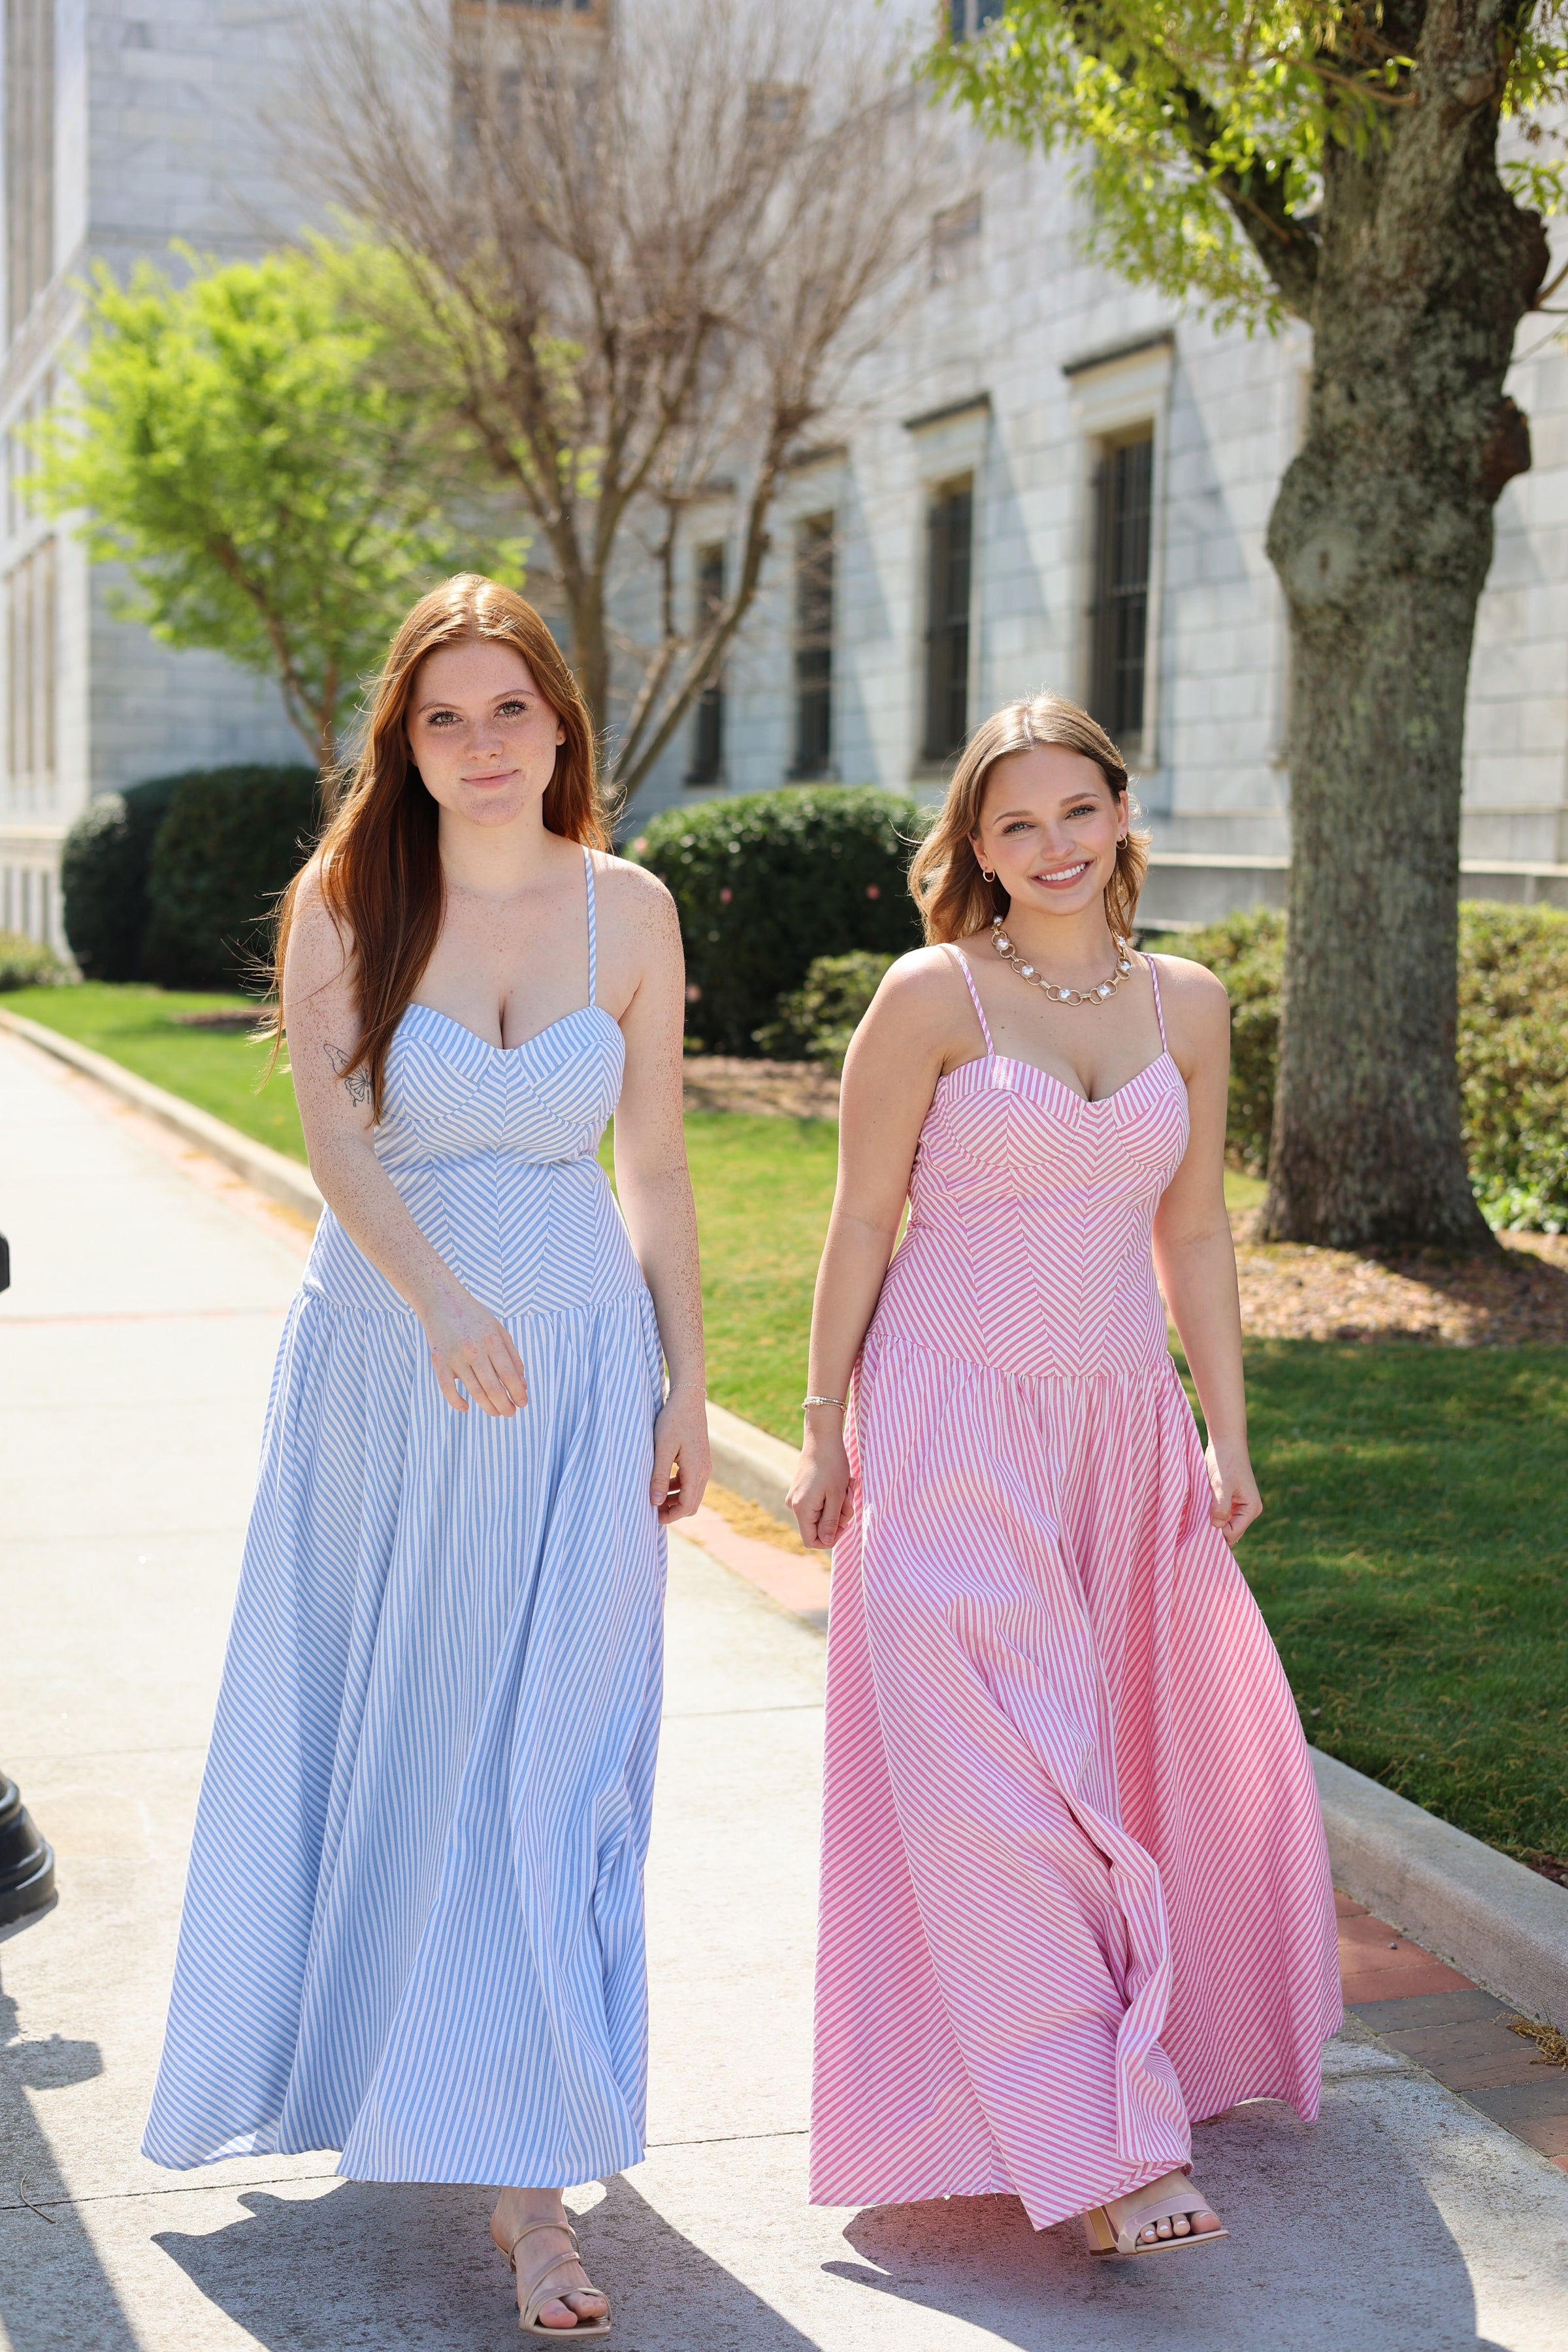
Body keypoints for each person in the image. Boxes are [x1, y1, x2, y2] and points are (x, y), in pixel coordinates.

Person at [142, 575, 710, 2334]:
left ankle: (535, 2194)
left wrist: (687, 1386)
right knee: (398, 1727)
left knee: (559, 1754)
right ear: (404, 740)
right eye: (443, 718)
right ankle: (433, 2104)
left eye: (509, 712)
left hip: (587, 1372)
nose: (479, 746)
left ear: (562, 725)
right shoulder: (349, 898)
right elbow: (339, 1145)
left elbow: (665, 1171)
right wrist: (446, 1307)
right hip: (399, 1368)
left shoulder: (632, 908)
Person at [789, 693, 1340, 2259]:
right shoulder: (931, 996)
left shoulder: (1190, 1001)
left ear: (1121, 812)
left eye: (1075, 813)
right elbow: (859, 1224)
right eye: (1013, 823)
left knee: (1141, 1763)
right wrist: (824, 1422)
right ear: (974, 842)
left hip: (1118, 1426)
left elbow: (1194, 1229)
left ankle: (1131, 2070)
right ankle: (1097, 2153)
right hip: (950, 1415)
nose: (1050, 847)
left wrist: (1228, 1429)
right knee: (1001, 1786)